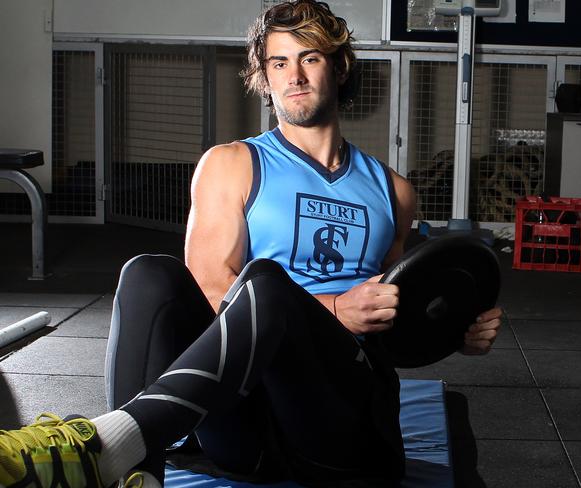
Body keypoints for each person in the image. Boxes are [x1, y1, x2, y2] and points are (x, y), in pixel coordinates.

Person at [0, 1, 502, 487]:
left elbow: (399, 312)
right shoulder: (233, 163)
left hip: (341, 424)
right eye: (279, 62)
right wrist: (332, 306)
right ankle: (139, 471)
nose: (294, 76)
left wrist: (455, 331)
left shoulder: (394, 191)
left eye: (309, 58)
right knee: (149, 272)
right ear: (265, 76)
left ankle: (108, 443)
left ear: (339, 67)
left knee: (263, 281)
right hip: (245, 420)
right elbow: (211, 287)